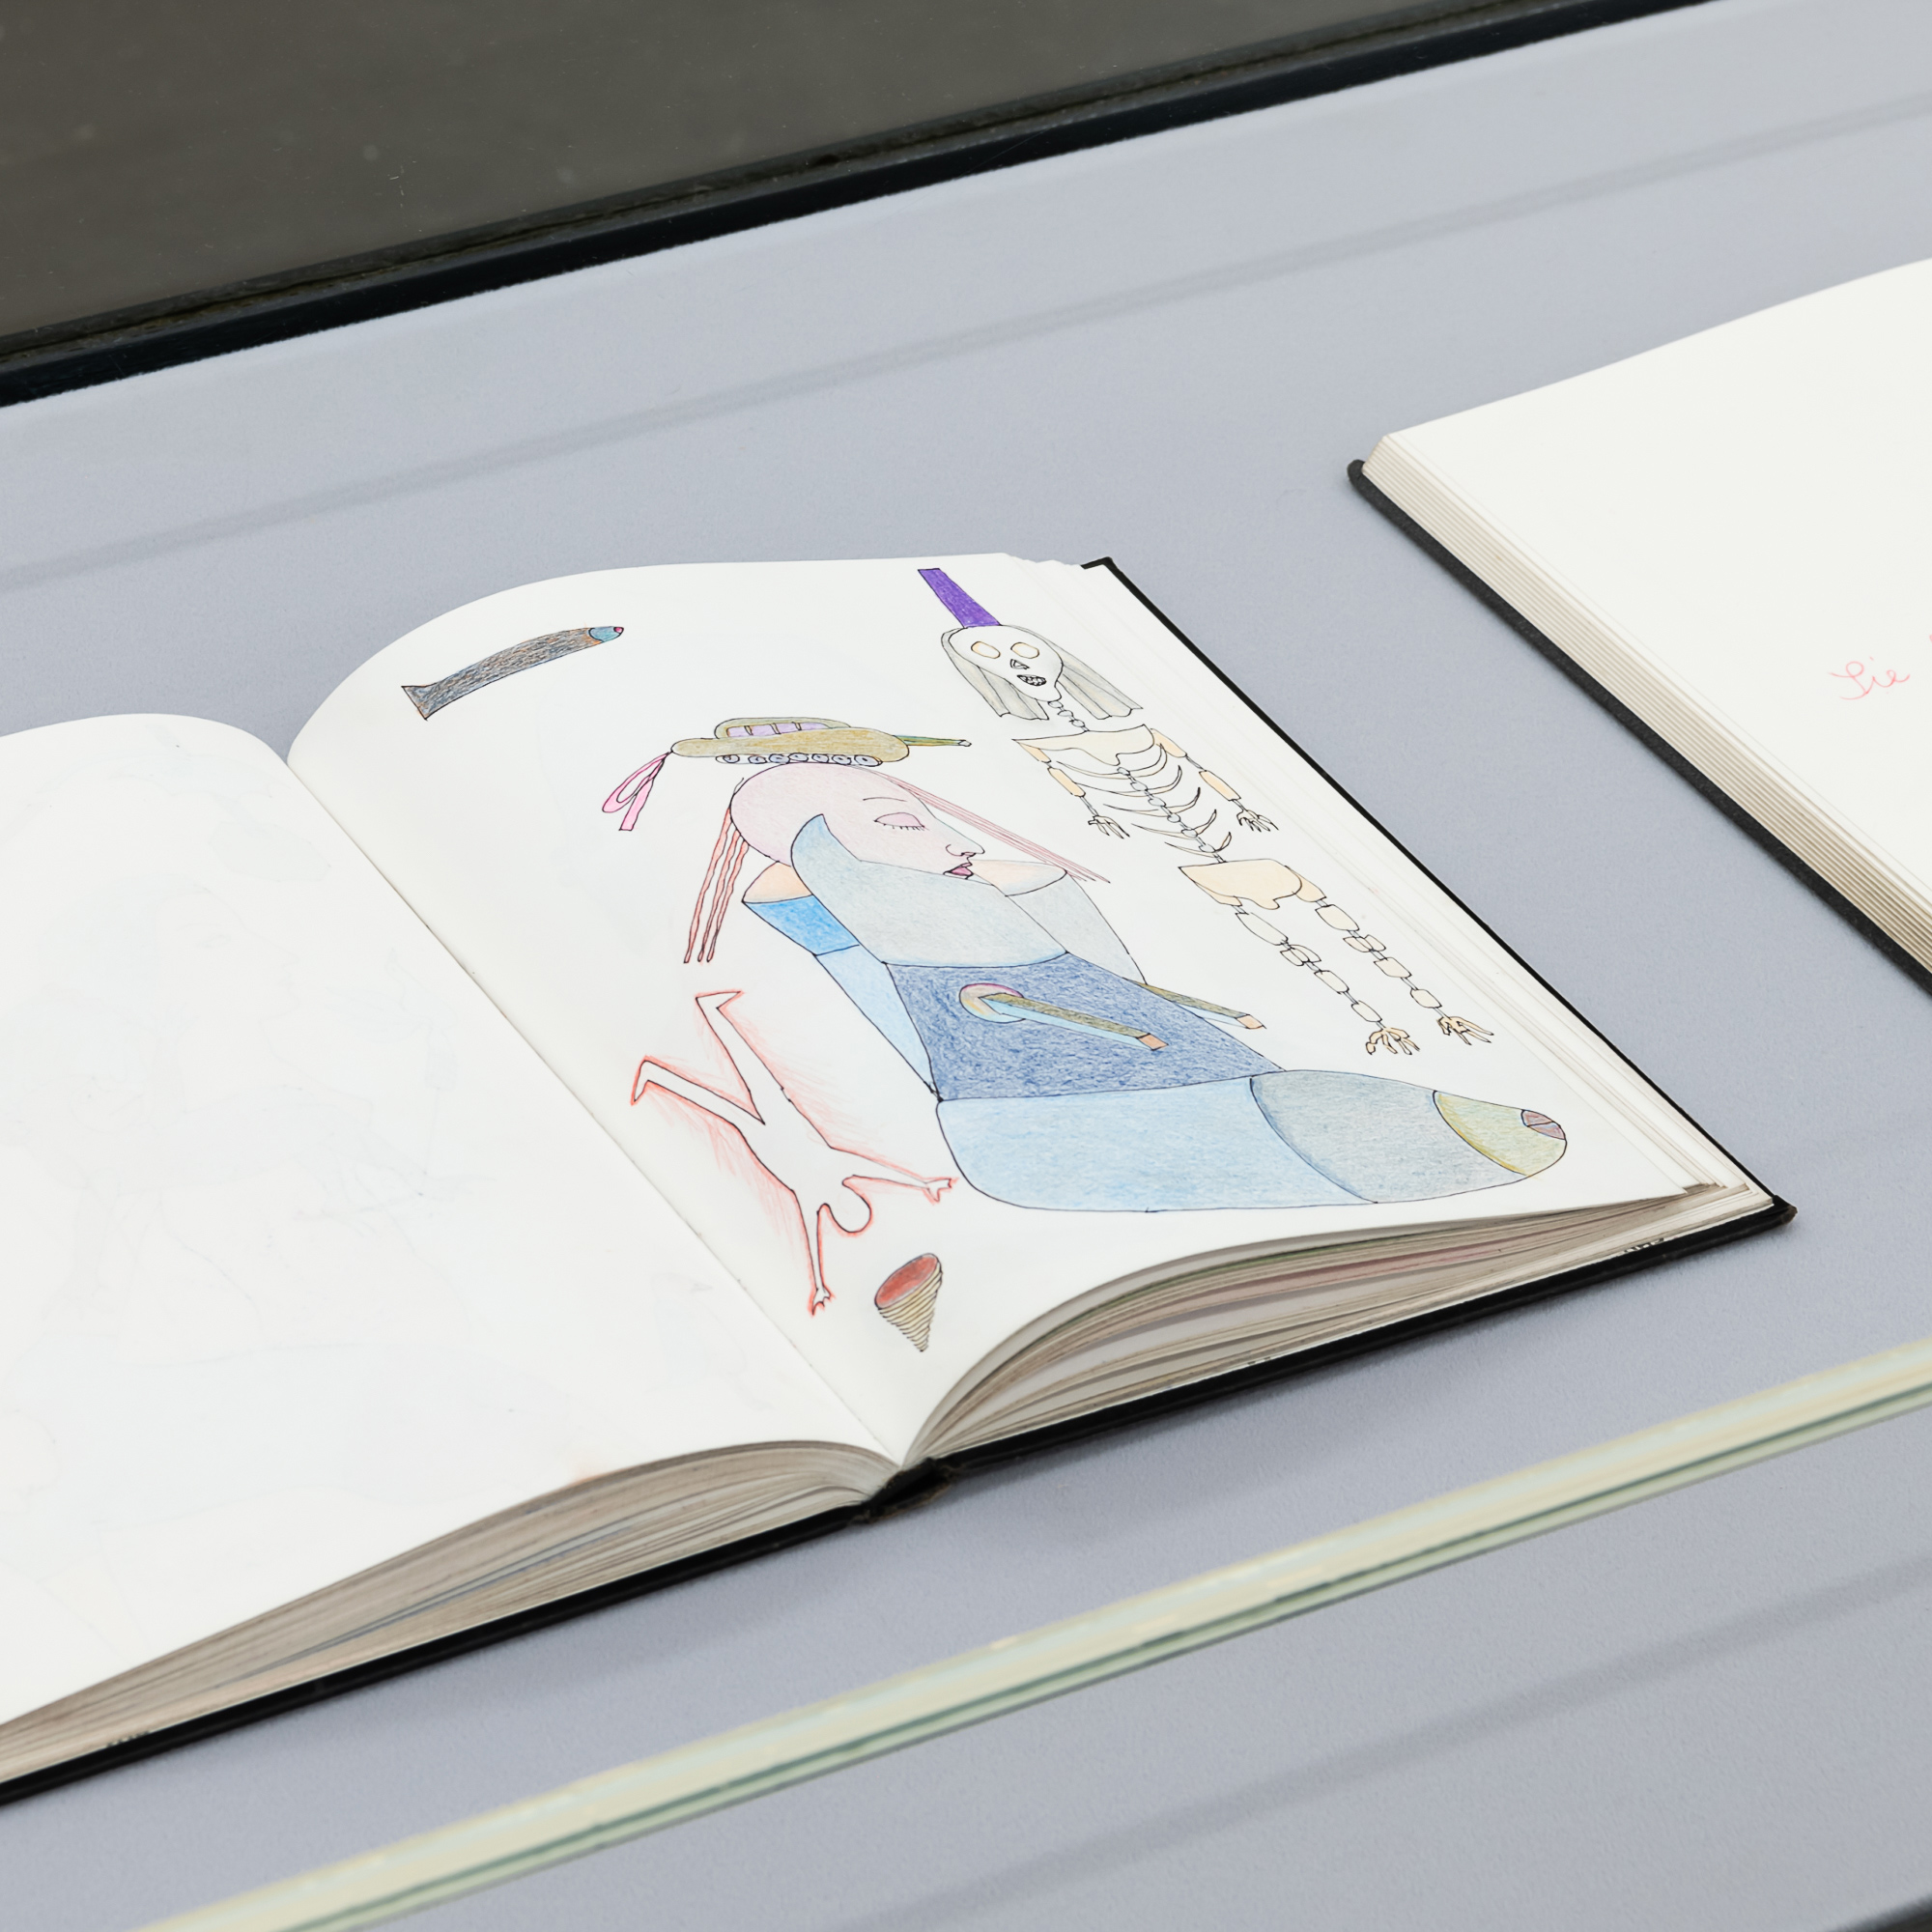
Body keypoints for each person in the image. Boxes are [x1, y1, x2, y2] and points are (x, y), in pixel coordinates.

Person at [692, 761, 1566, 1213]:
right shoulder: (893, 937)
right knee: (1314, 1119)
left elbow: (1108, 973)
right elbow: (789, 893)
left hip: (1172, 1082)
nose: (958, 843)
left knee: (1301, 1103)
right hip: (1057, 1116)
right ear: (820, 852)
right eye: (902, 824)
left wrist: (1009, 877)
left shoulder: (974, 916)